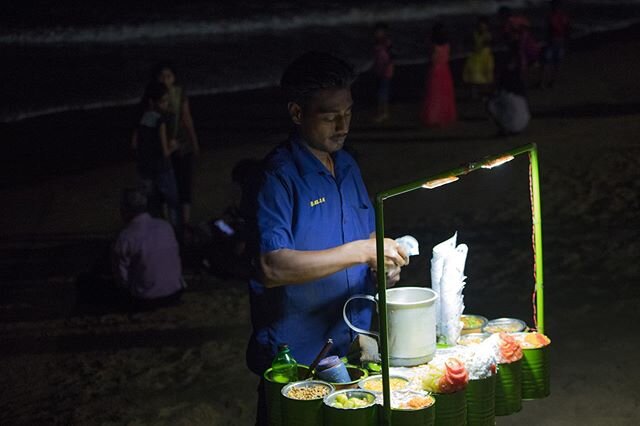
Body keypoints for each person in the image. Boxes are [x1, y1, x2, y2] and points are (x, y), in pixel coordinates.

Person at [246, 51, 408, 425]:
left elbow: (367, 235)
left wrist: (383, 265)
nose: (343, 125)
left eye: (348, 112)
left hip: (354, 347)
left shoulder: (348, 165)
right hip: (296, 359)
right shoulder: (277, 177)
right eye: (330, 115)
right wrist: (359, 251)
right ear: (297, 113)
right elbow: (272, 266)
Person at [112, 187, 184, 310]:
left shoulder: (126, 237)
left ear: (126, 209)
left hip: (146, 298)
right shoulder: (165, 226)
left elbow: (122, 280)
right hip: (175, 292)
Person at [153, 63, 200, 229]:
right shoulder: (155, 96)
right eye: (162, 76)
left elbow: (187, 118)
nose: (166, 80)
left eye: (169, 76)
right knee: (168, 185)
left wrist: (194, 142)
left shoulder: (179, 93)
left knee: (184, 181)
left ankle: (185, 222)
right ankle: (171, 222)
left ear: (174, 77)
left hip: (182, 144)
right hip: (165, 146)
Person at [131, 82, 181, 230]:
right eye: (163, 101)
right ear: (153, 102)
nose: (166, 104)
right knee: (173, 202)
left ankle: (154, 231)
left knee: (151, 204)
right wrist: (174, 146)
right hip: (162, 168)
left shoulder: (141, 118)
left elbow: (134, 144)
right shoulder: (160, 121)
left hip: (145, 168)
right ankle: (176, 233)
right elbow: (165, 152)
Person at [421, 22, 457, 127]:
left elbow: (432, 59)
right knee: (445, 95)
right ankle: (444, 117)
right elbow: (447, 57)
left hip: (435, 70)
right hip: (445, 70)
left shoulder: (434, 46)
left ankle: (434, 117)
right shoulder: (447, 45)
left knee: (434, 95)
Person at [486, 53, 531, 136]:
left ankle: (504, 130)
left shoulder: (505, 94)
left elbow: (492, 103)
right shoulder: (520, 91)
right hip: (524, 123)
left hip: (512, 124)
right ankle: (511, 127)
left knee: (491, 105)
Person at [463, 17, 495, 98]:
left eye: (484, 26)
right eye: (480, 25)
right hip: (475, 57)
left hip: (485, 57)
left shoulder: (488, 35)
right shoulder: (474, 34)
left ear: (487, 26)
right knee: (473, 76)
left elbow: (487, 44)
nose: (482, 27)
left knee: (486, 76)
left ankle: (486, 93)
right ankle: (474, 94)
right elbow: (471, 43)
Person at [542, 0, 571, 88]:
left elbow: (549, 30)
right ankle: (552, 82)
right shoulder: (564, 17)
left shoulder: (551, 16)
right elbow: (567, 30)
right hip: (561, 41)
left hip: (552, 41)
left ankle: (543, 82)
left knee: (547, 62)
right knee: (557, 63)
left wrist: (546, 40)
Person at [372, 22, 394, 122]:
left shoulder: (387, 43)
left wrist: (388, 69)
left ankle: (383, 113)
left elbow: (391, 58)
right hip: (379, 69)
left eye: (379, 31)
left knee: (382, 93)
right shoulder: (378, 42)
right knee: (381, 92)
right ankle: (383, 112)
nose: (377, 33)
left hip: (385, 71)